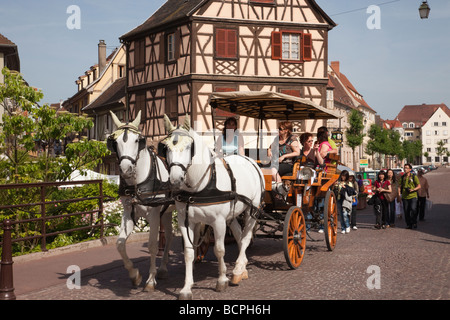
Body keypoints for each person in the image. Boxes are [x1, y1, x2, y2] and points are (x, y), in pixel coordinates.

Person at [398, 163, 421, 229]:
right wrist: (399, 194)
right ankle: (409, 224)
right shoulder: (402, 177)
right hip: (405, 196)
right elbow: (399, 186)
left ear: (410, 169)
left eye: (407, 168)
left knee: (413, 209)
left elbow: (419, 186)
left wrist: (413, 189)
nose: (405, 169)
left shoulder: (414, 176)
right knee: (406, 211)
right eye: (404, 168)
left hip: (413, 195)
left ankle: (414, 222)